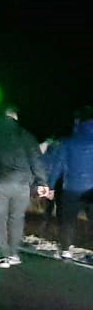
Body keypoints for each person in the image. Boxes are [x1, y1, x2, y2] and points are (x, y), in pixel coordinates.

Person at [0, 104, 49, 268]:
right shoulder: (25, 135)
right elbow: (36, 160)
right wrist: (42, 182)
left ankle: (3, 255)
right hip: (21, 184)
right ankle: (13, 253)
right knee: (17, 218)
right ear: (15, 117)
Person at [45, 105, 93, 259]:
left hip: (72, 188)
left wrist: (50, 186)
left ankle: (66, 250)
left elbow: (58, 166)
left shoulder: (68, 142)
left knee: (68, 220)